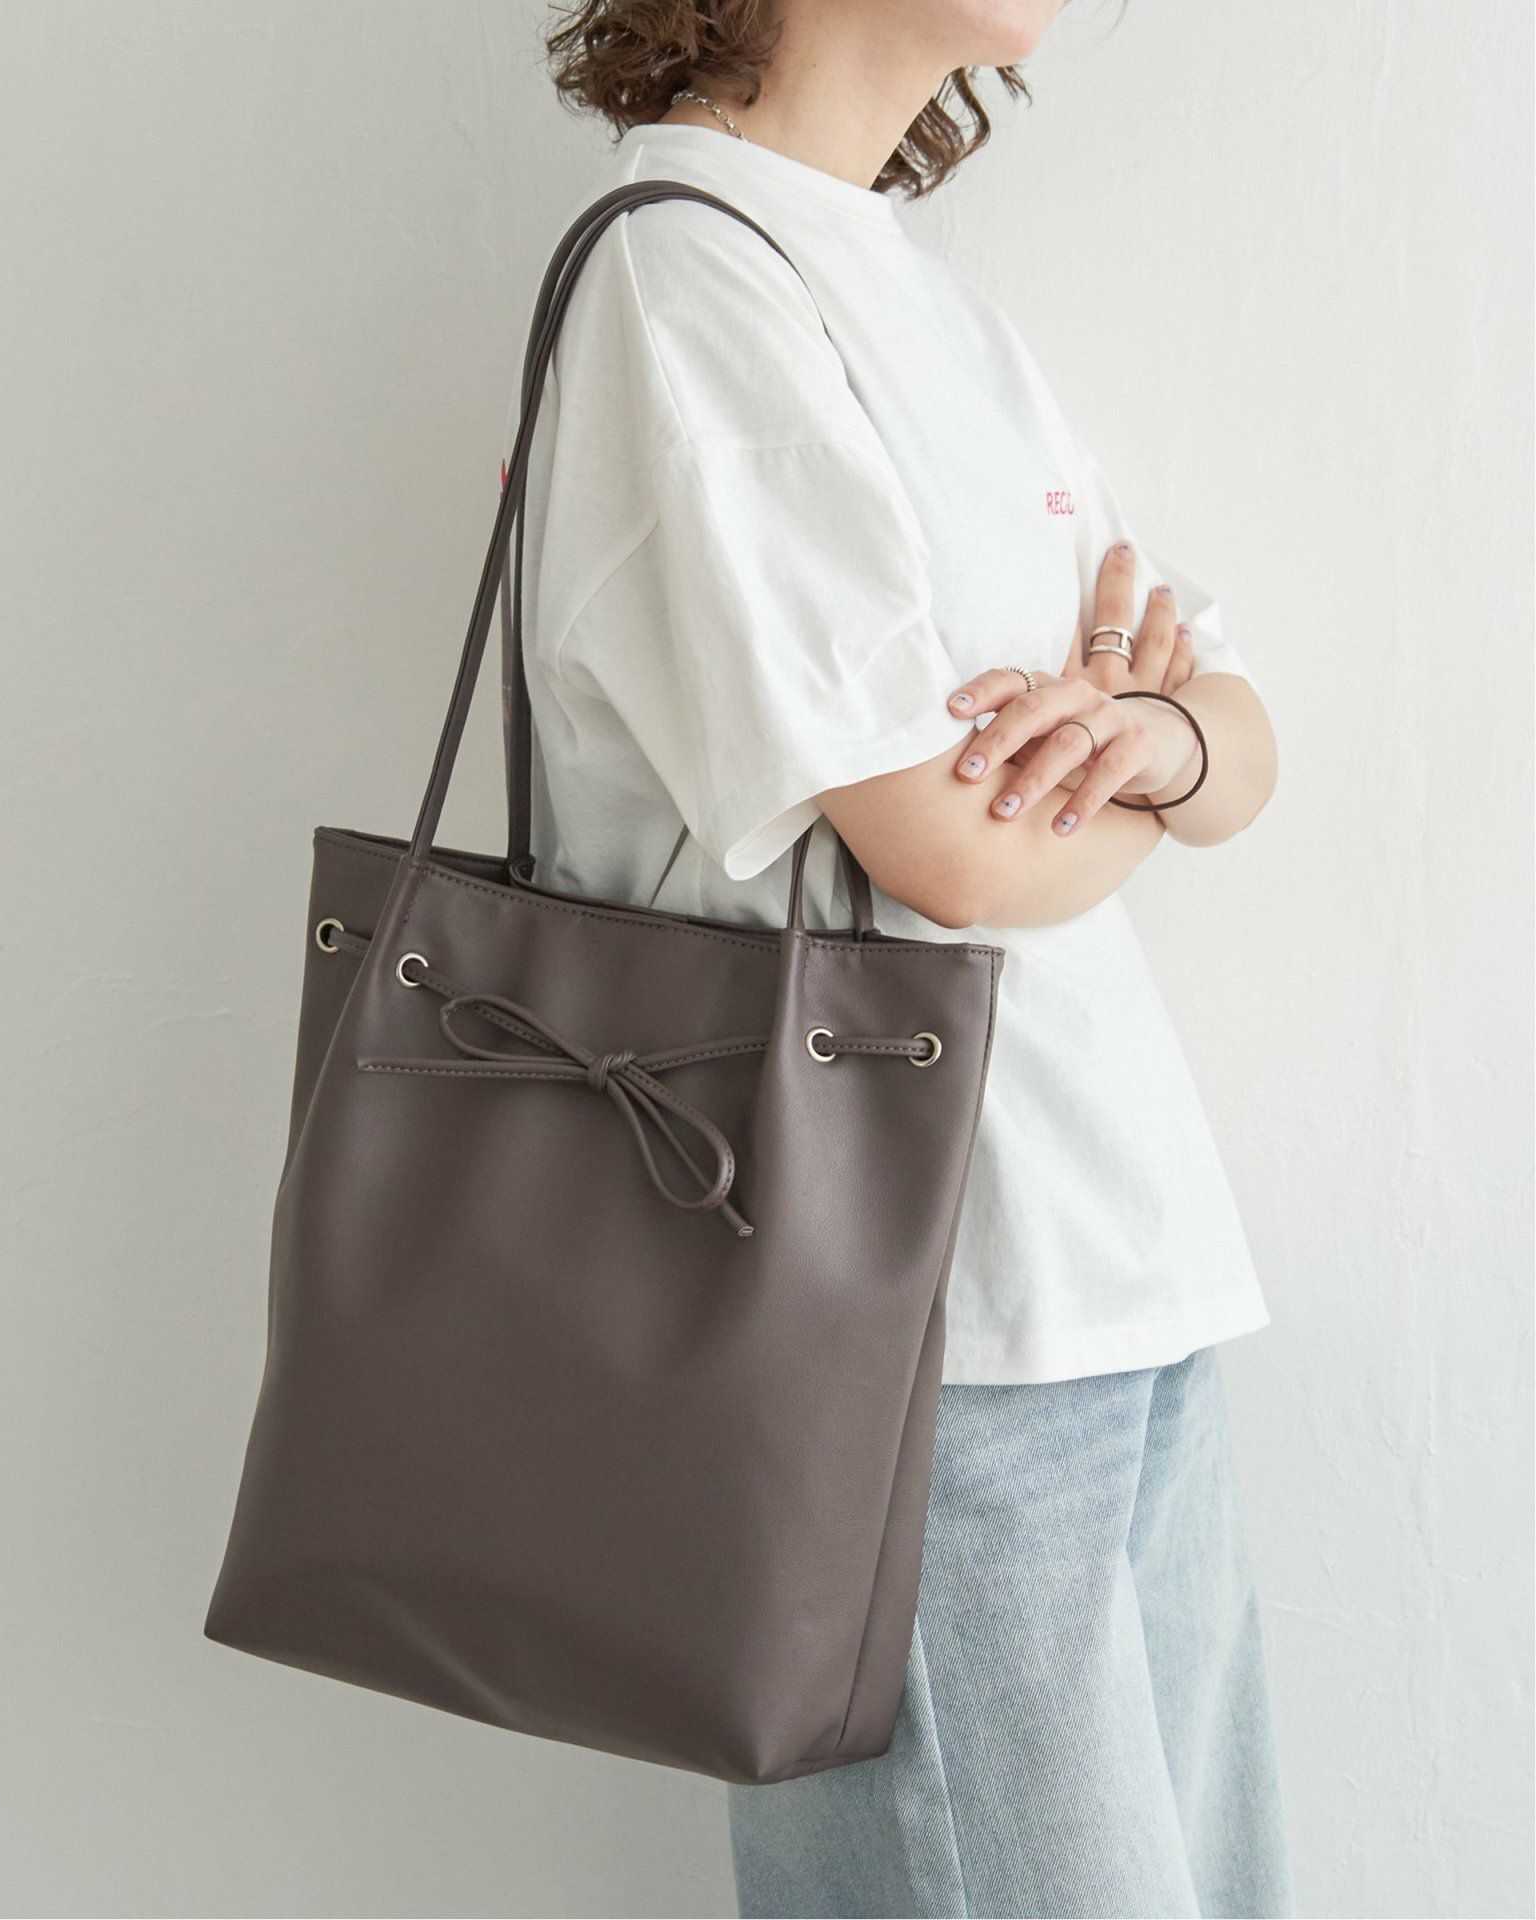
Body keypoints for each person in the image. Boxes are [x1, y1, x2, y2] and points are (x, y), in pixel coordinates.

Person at [517, 3, 1292, 1913]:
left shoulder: (912, 289)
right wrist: (1144, 758)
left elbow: (1237, 739)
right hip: (907, 1329)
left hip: (1113, 1265)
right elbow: (948, 855)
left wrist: (1143, 741)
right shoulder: (687, 279)